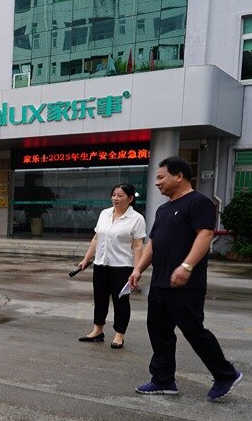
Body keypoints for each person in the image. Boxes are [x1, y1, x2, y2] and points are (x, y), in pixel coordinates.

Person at [128, 157, 243, 400]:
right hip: (160, 282)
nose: (157, 183)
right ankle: (163, 380)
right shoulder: (163, 209)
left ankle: (225, 373)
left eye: (161, 177)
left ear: (179, 176)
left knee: (193, 331)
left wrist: (187, 266)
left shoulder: (198, 202)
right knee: (159, 332)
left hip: (186, 284)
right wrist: (138, 269)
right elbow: (154, 243)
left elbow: (205, 234)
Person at [76, 183, 146, 349]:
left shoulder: (137, 219)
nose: (115, 198)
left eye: (120, 196)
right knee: (100, 299)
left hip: (122, 267)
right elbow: (96, 238)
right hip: (101, 264)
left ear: (130, 199)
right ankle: (97, 330)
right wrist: (86, 259)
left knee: (121, 301)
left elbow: (138, 246)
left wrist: (137, 269)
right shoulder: (104, 214)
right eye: (114, 195)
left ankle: (119, 334)